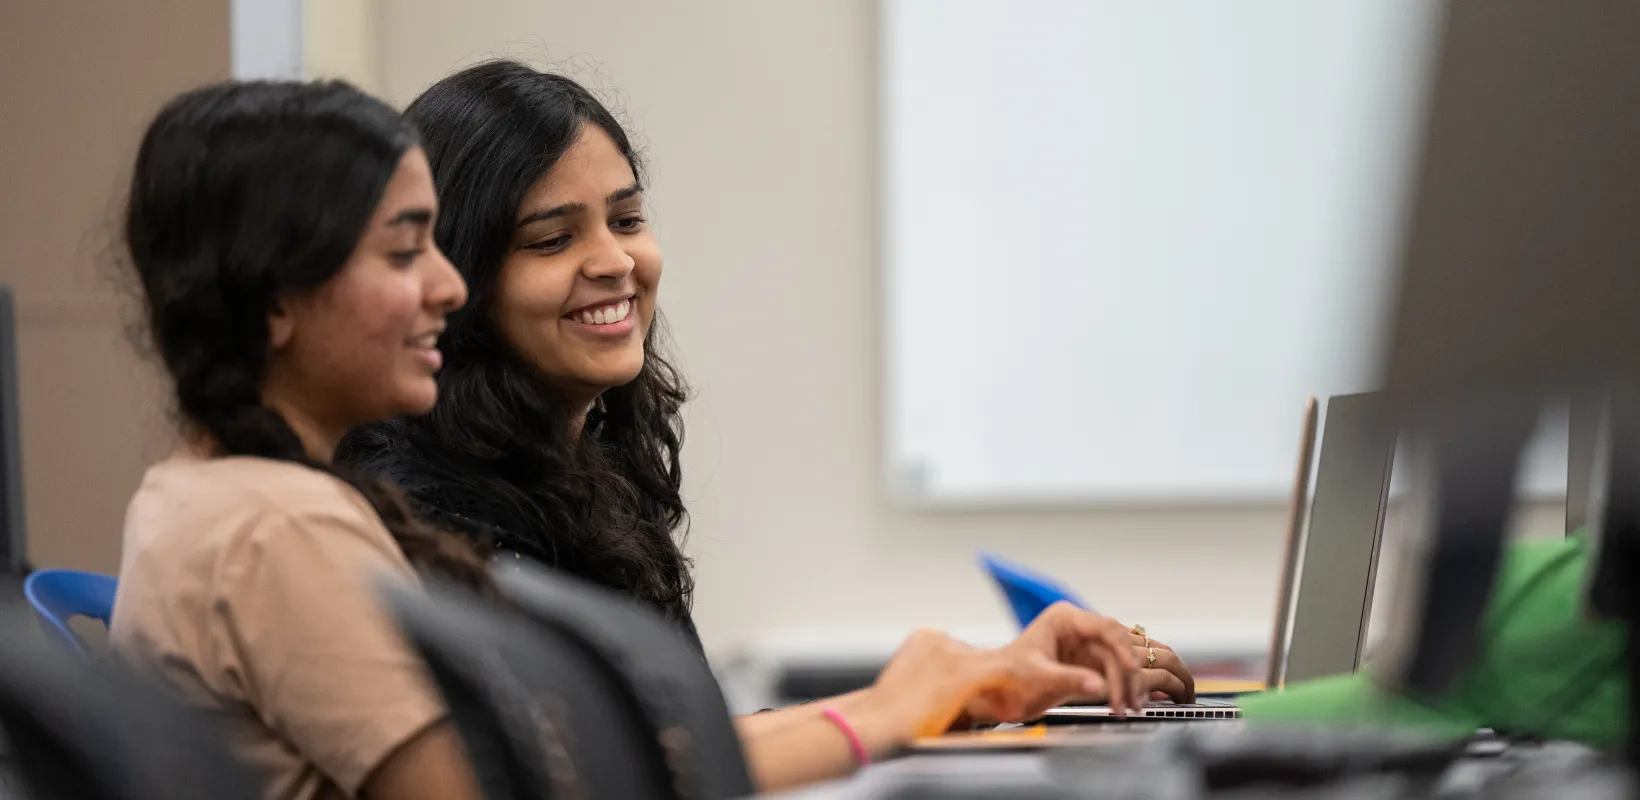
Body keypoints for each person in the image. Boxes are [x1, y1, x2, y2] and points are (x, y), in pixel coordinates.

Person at [106, 77, 1165, 799]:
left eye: (625, 218)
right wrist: (880, 716)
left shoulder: (234, 494)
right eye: (403, 253)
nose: (443, 286)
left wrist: (938, 692)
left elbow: (611, 753)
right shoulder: (282, 524)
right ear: (275, 299)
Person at [335, 59, 1194, 704]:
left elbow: (687, 744)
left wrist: (973, 691)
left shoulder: (587, 476)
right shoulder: (423, 514)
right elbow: (629, 767)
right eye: (553, 240)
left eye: (627, 220)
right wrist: (927, 697)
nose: (616, 261)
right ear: (452, 277)